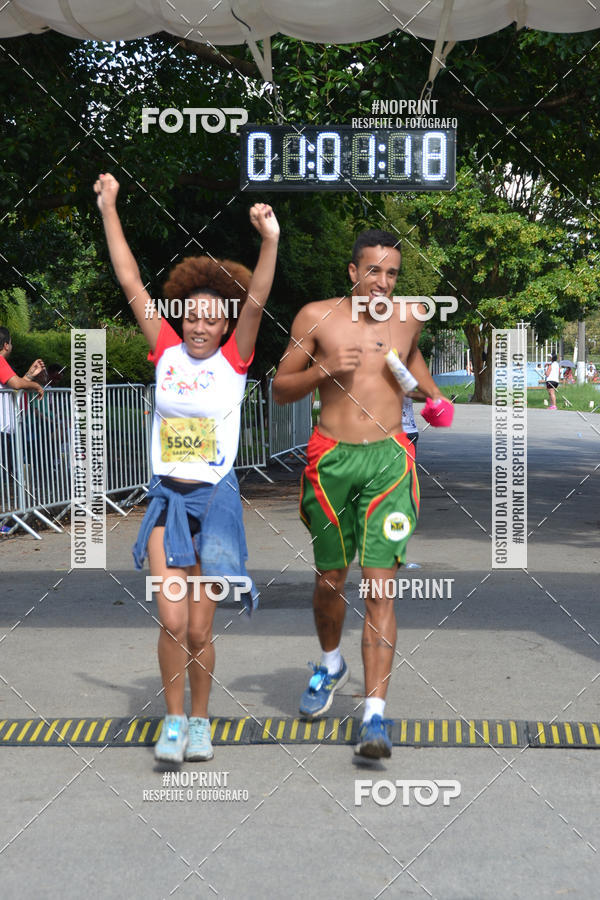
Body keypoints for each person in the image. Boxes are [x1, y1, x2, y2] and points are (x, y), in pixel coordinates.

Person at [95, 172, 279, 764]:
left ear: (225, 325)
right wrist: (109, 207)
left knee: (201, 631)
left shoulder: (234, 361)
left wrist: (268, 240)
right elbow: (128, 279)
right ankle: (172, 720)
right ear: (183, 317)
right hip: (167, 503)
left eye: (211, 319)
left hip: (216, 505)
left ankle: (201, 720)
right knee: (173, 622)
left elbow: (258, 298)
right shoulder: (165, 350)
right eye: (192, 317)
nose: (199, 325)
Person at [272, 229, 453, 759]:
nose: (383, 281)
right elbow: (279, 387)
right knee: (331, 580)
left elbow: (413, 364)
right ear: (353, 272)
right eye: (373, 270)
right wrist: (324, 369)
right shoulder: (316, 317)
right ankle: (330, 664)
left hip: (391, 463)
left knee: (380, 587)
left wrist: (434, 397)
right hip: (331, 460)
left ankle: (374, 716)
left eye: (392, 273)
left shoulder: (409, 315)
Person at [0, 327, 45, 490]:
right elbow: (17, 384)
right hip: (1, 433)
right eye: (10, 343)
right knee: (5, 481)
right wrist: (36, 386)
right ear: (6, 345)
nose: (11, 346)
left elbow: (14, 384)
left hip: (5, 432)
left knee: (8, 479)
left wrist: (30, 374)